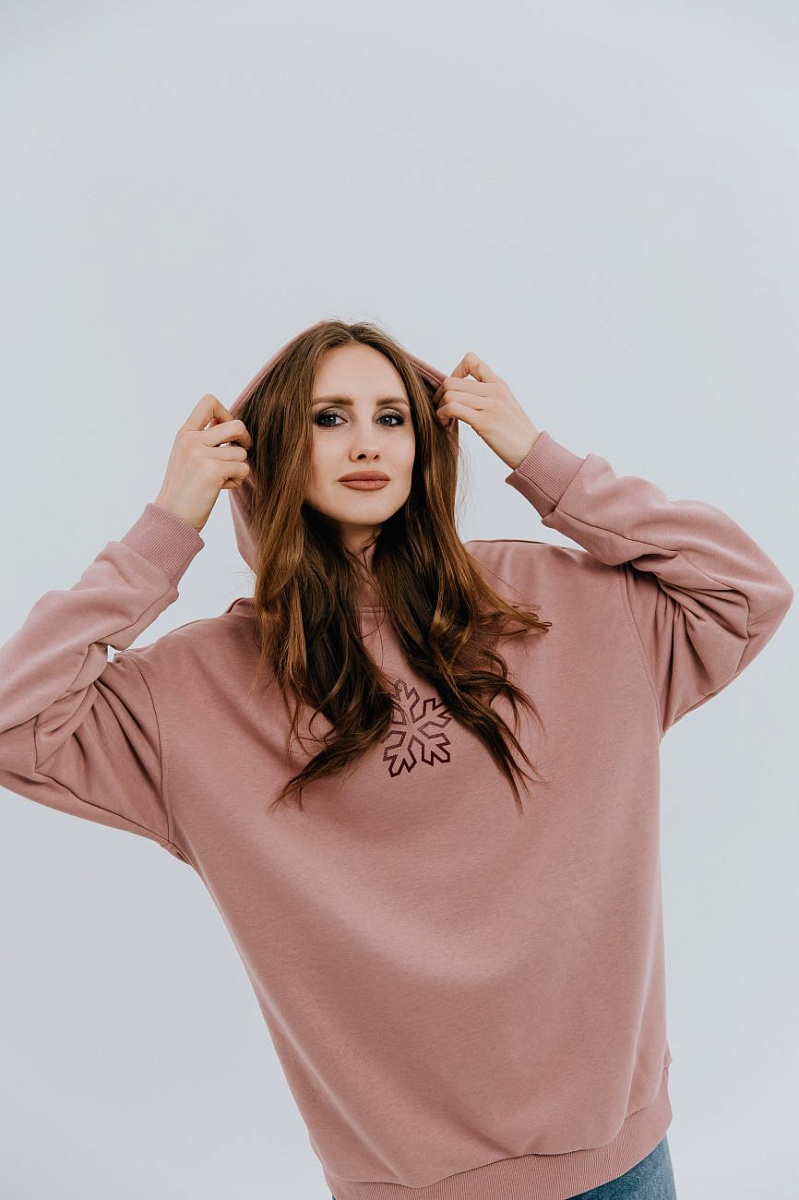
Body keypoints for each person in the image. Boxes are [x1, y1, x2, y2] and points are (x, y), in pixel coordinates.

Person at [0, 318, 792, 1200]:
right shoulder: (195, 689)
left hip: (618, 1161)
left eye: (391, 417)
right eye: (328, 418)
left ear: (427, 441)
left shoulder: (545, 600)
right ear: (266, 449)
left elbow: (745, 590)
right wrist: (163, 531)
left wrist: (543, 462)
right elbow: (13, 719)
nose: (366, 443)